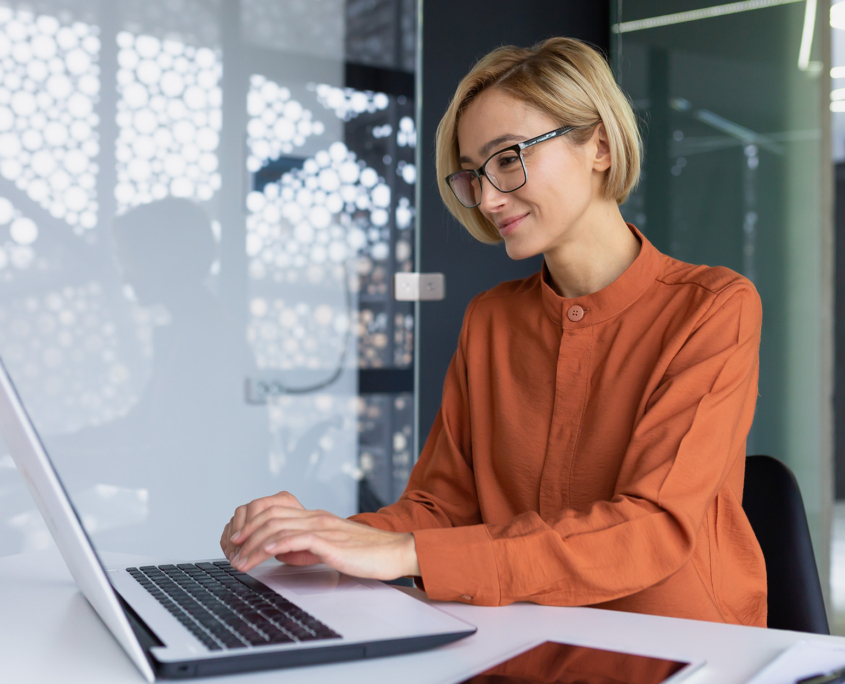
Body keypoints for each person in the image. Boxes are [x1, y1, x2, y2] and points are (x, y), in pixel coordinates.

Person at [219, 37, 767, 627]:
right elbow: (442, 507)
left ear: (600, 146)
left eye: (509, 158)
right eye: (474, 174)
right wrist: (330, 535)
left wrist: (405, 553)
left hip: (679, 645)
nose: (486, 196)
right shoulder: (491, 320)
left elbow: (651, 529)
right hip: (516, 637)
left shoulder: (714, 309)